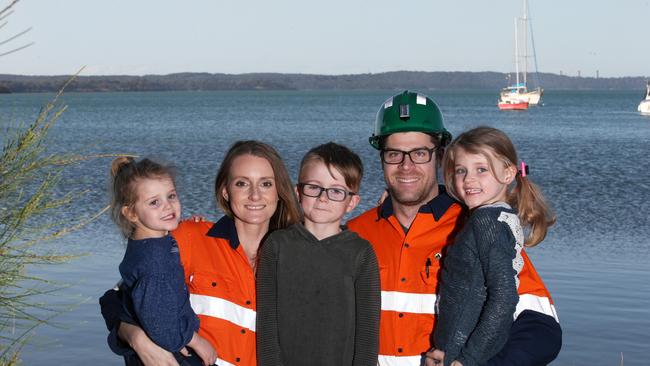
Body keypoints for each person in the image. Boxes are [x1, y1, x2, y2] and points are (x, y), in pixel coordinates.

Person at [346, 91, 561, 366]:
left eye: (420, 153)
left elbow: (541, 328)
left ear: (440, 156)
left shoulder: (476, 227)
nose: (406, 166)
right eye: (394, 153)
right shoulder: (354, 234)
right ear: (381, 158)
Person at [100, 141, 302, 366]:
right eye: (242, 183)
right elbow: (115, 300)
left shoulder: (297, 257)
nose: (255, 195)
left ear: (279, 191)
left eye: (265, 184)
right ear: (225, 191)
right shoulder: (186, 238)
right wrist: (136, 338)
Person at [432, 127, 556, 366]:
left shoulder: (486, 221)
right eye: (461, 170)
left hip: (466, 354)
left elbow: (504, 297)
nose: (469, 179)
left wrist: (466, 360)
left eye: (481, 170)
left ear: (508, 173)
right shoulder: (499, 216)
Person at [256, 142, 381, 366]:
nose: (323, 198)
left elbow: (367, 335)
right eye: (314, 187)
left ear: (352, 202)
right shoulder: (277, 246)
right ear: (298, 191)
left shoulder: (361, 253)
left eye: (336, 191)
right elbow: (267, 324)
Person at [108, 157, 216, 366]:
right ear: (130, 213)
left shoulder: (146, 244)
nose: (168, 206)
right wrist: (195, 340)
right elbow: (160, 324)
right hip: (172, 355)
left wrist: (188, 228)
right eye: (154, 202)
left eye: (171, 196)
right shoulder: (155, 263)